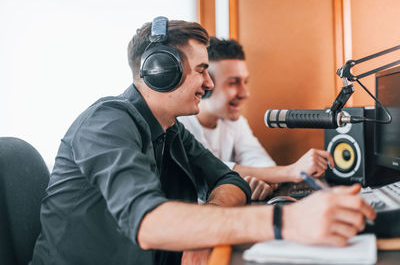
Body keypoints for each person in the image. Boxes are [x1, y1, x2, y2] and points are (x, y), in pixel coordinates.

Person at [31, 18, 375, 265]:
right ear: (160, 71)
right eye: (201, 70)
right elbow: (150, 224)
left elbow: (230, 179)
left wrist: (202, 228)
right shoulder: (105, 123)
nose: (209, 84)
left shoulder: (171, 129)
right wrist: (286, 223)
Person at [179, 37, 335, 200]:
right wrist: (290, 172)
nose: (245, 93)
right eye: (233, 83)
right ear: (206, 84)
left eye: (245, 82)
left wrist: (265, 180)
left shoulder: (234, 121)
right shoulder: (180, 125)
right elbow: (212, 170)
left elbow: (257, 158)